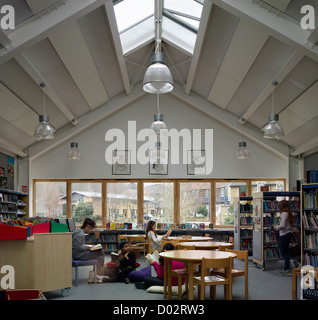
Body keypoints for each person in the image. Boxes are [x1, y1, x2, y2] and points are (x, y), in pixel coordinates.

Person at [72, 217, 105, 283]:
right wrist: (88, 247)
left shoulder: (78, 231)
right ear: (88, 226)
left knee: (100, 257)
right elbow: (79, 247)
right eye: (91, 229)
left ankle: (92, 277)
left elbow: (79, 245)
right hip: (78, 255)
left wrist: (87, 245)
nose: (91, 231)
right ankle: (100, 270)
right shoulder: (80, 235)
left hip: (77, 253)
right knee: (100, 251)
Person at [274, 200, 294, 276]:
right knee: (286, 252)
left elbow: (283, 226)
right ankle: (286, 268)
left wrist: (276, 227)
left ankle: (287, 269)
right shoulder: (288, 213)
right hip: (288, 233)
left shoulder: (284, 214)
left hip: (284, 234)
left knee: (284, 252)